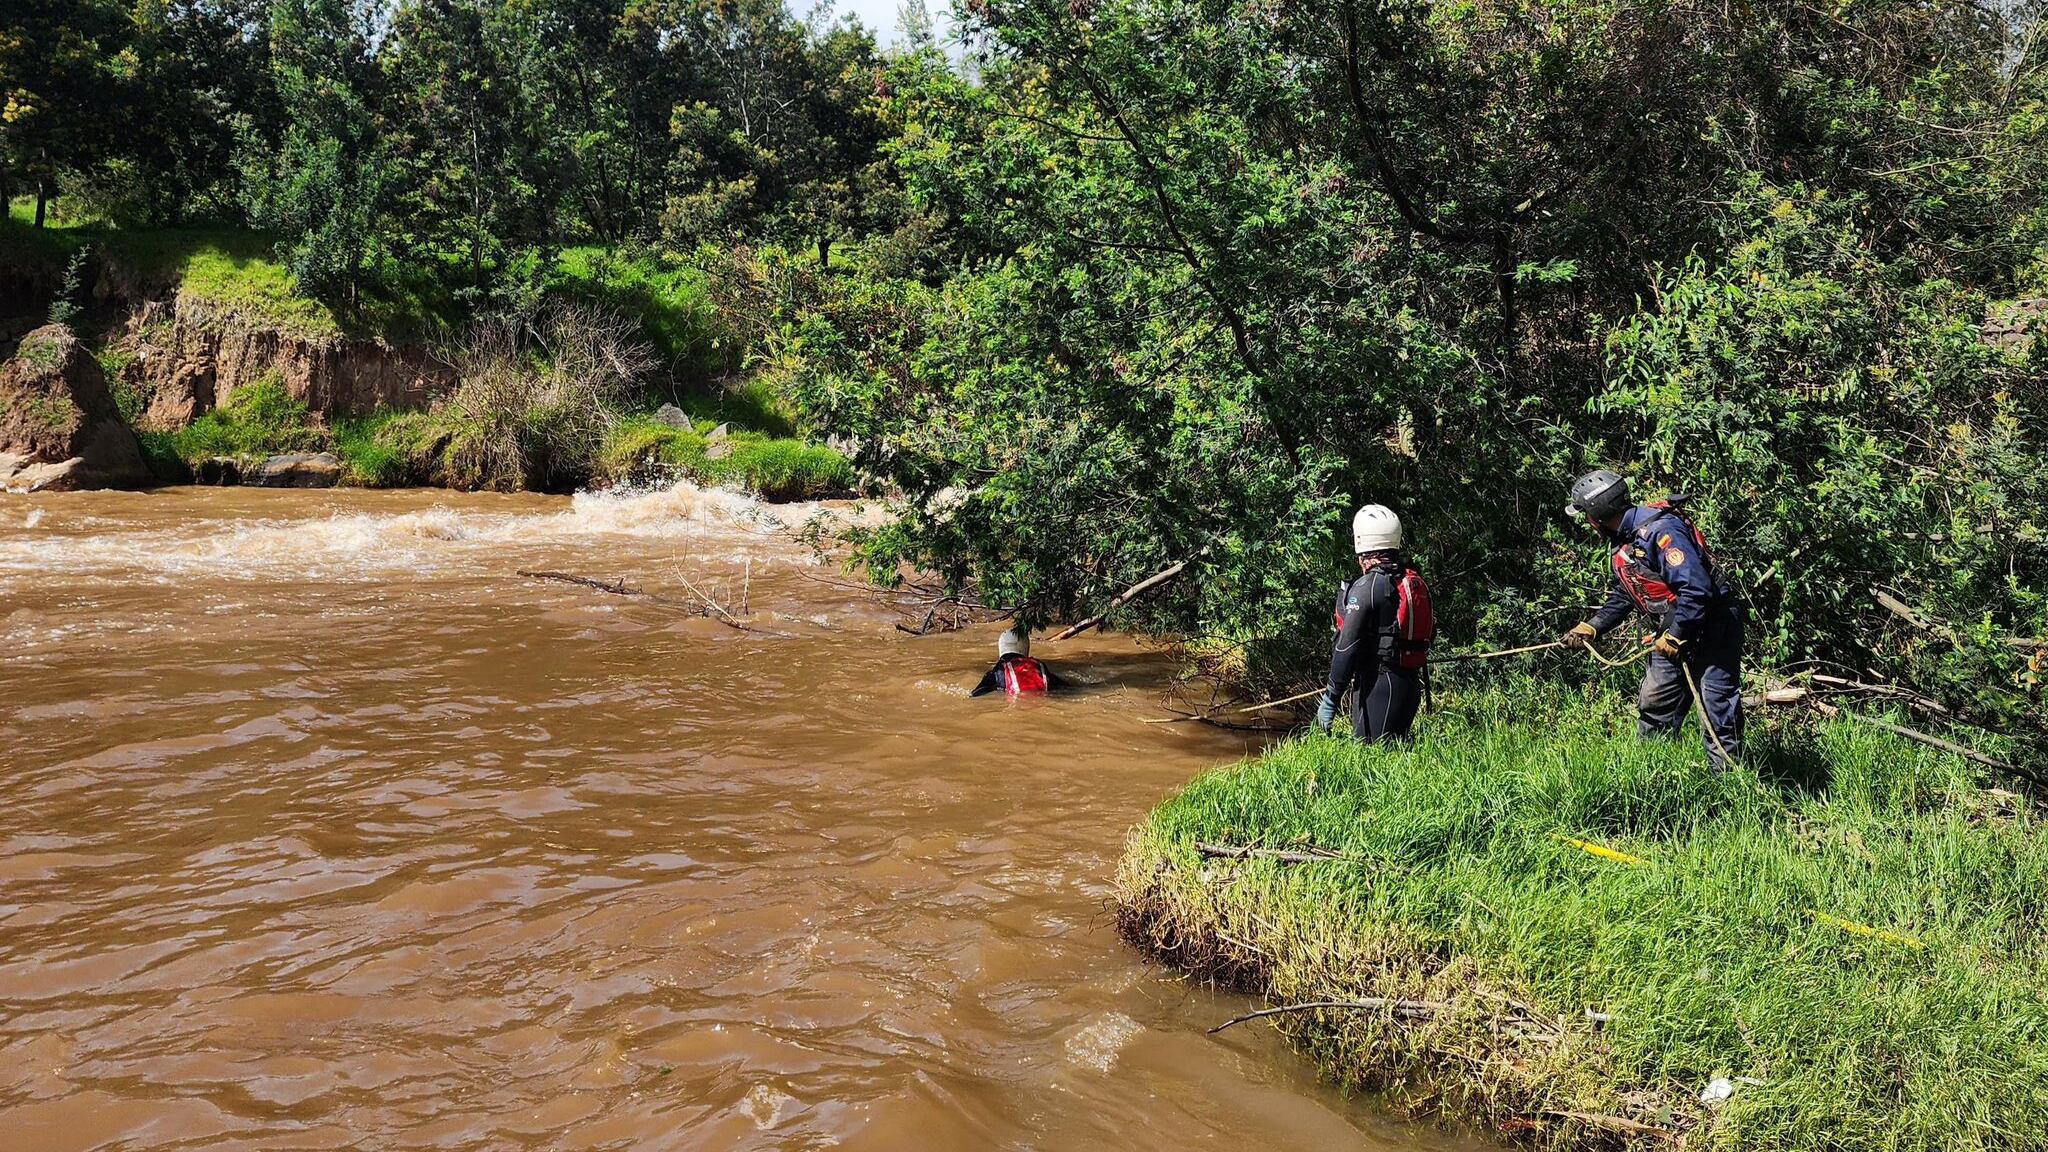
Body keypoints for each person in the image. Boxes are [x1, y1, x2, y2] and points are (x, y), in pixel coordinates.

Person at [1559, 469, 1744, 768]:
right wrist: (1592, 627)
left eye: (1587, 515)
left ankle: (1729, 784)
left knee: (1717, 711)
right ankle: (1653, 776)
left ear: (1598, 512)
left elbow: (1697, 589)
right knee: (1655, 705)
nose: (1588, 523)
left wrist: (1677, 634)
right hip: (1670, 633)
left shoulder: (1660, 531)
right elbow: (1625, 594)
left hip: (1712, 628)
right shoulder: (1624, 541)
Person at [1315, 504, 1434, 741]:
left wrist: (1330, 698)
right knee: (1395, 753)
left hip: (1380, 686)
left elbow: (1346, 647)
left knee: (1369, 755)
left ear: (1362, 544)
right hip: (1410, 684)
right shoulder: (1409, 580)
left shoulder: (1368, 586)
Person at [971, 626, 1066, 697]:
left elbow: (977, 693)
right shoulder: (1038, 665)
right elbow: (1064, 686)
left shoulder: (998, 670)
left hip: (1014, 700)